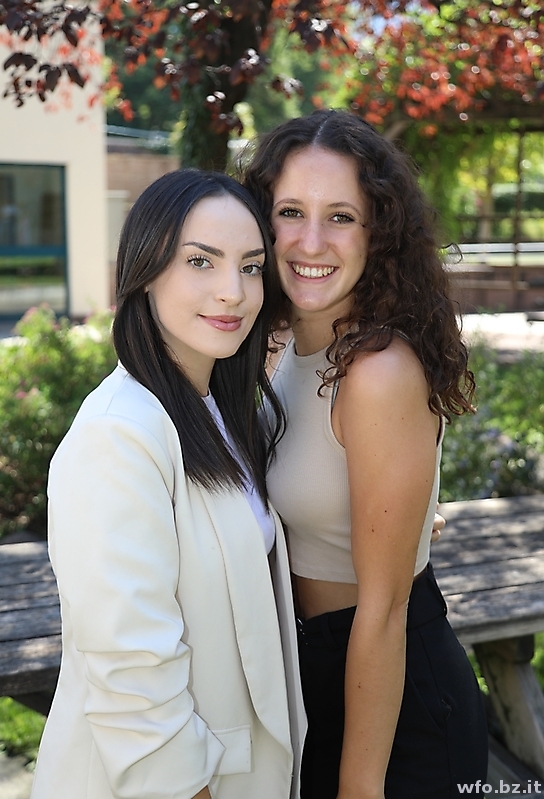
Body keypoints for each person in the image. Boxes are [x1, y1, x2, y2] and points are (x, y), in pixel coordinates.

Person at [30, 169, 305, 799]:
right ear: (145, 272)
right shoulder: (118, 435)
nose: (232, 291)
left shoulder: (219, 412)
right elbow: (131, 671)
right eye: (200, 262)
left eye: (251, 266)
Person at [244, 109, 488, 799]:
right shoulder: (285, 345)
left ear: (378, 232)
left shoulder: (376, 371)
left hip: (392, 705)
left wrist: (360, 784)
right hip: (312, 676)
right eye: (291, 212)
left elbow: (383, 609)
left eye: (341, 217)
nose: (311, 240)